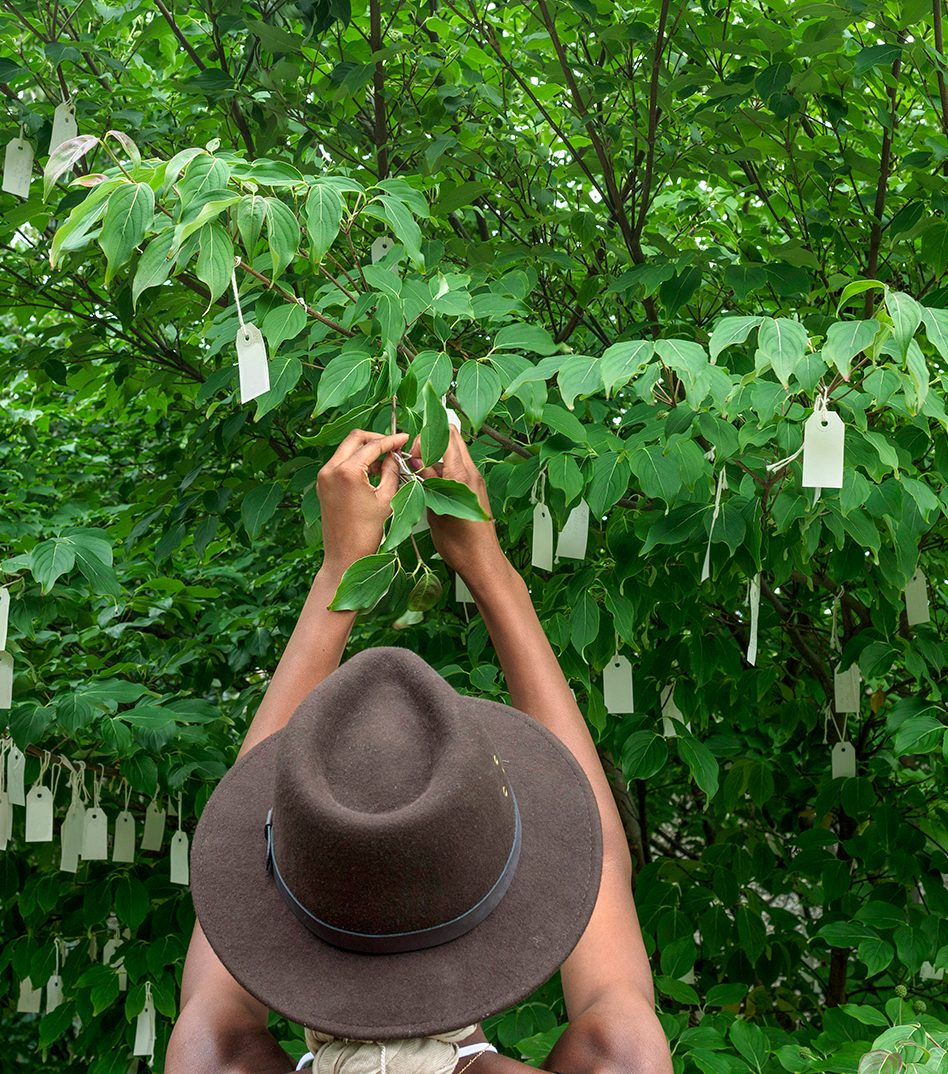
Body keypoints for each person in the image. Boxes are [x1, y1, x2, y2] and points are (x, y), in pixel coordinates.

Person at [166, 427, 673, 1074]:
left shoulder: (217, 1060)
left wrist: (341, 571)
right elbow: (595, 851)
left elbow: (234, 847)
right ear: (500, 890)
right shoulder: (618, 1062)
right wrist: (488, 567)